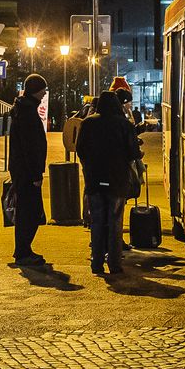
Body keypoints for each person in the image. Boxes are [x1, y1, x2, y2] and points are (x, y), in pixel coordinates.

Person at [76, 90, 143, 275]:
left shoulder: (88, 123)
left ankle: (96, 263)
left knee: (97, 221)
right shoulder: (124, 125)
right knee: (115, 222)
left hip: (94, 180)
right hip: (117, 180)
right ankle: (114, 264)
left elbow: (80, 149)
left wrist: (89, 166)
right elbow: (133, 153)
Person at [8, 73, 48, 267]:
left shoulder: (23, 108)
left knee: (27, 210)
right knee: (29, 212)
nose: (45, 93)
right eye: (43, 90)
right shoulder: (27, 112)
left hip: (21, 169)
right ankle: (23, 251)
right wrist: (36, 174)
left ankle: (23, 249)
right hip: (27, 172)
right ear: (36, 90)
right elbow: (31, 147)